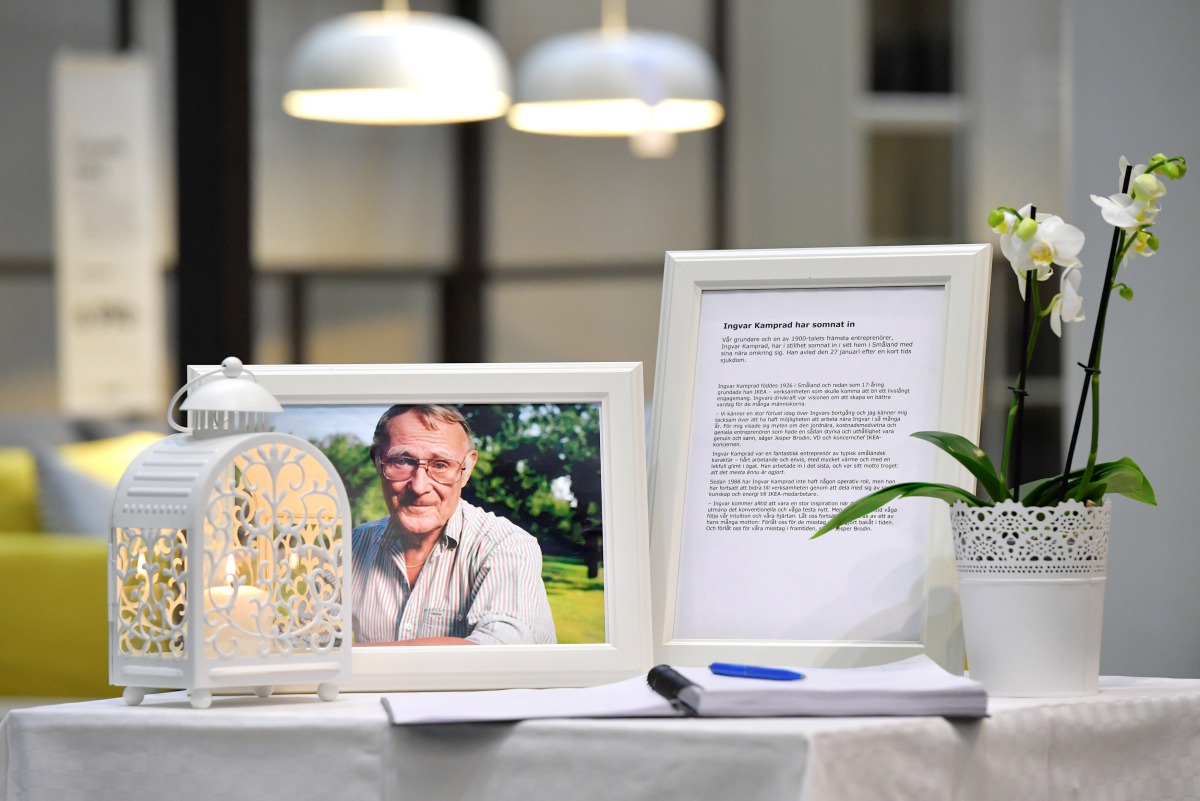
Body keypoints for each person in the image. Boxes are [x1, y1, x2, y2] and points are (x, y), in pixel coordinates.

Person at [351, 404, 557, 645]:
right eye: (403, 461)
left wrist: (347, 656)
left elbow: (500, 654)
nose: (419, 487)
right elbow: (307, 645)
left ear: (466, 469)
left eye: (440, 465)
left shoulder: (507, 546)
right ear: (377, 461)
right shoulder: (351, 547)